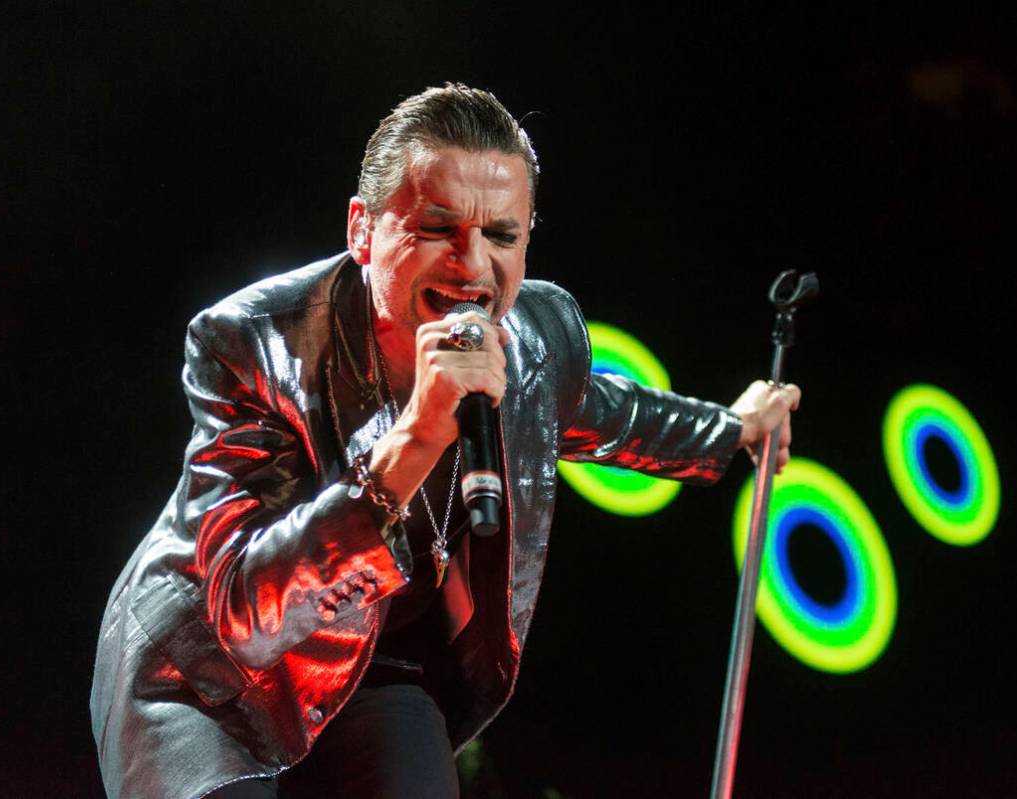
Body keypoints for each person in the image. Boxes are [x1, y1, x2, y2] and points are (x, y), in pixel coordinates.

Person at [90, 83, 800, 799]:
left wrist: (732, 427)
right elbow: (246, 612)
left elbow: (608, 413)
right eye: (438, 227)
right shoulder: (253, 341)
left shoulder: (535, 342)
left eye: (501, 235)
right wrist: (417, 438)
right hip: (208, 678)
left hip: (378, 662)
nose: (472, 266)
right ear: (362, 229)